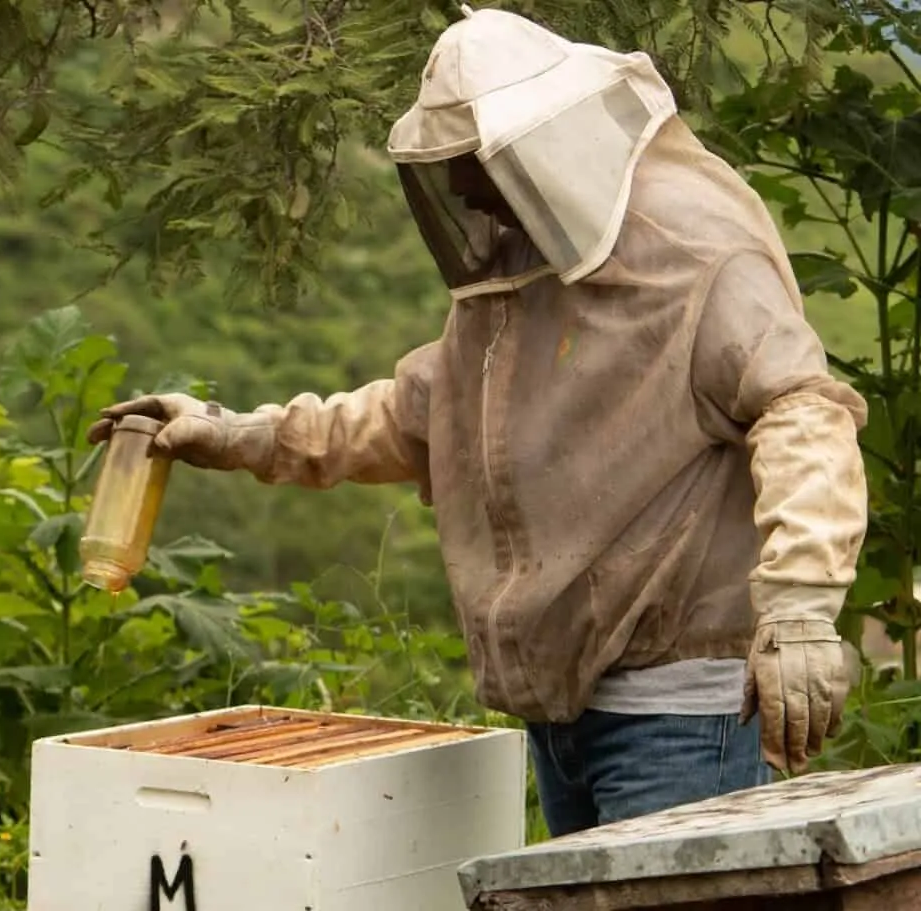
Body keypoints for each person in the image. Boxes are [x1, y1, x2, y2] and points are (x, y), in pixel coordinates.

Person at [87, 6, 868, 837]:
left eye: (473, 163)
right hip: (561, 714)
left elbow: (804, 410)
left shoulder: (695, 252)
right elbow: (418, 414)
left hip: (683, 718)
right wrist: (231, 433)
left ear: (543, 147)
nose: (462, 189)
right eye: (451, 167)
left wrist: (798, 607)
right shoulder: (516, 270)